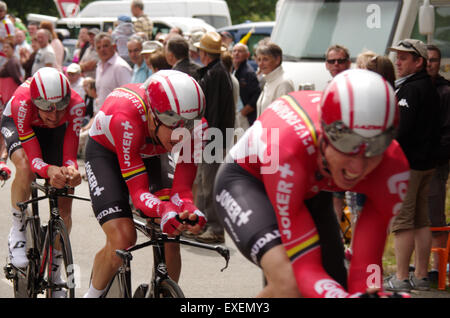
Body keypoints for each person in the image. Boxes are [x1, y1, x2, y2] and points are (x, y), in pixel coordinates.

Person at [213, 69, 409, 297]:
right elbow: (305, 267)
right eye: (347, 144)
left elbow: (368, 265)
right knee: (289, 282)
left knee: (336, 278)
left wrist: (370, 292)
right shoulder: (290, 150)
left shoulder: (393, 167)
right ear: (324, 134)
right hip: (248, 181)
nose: (358, 167)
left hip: (311, 185)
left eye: (374, 148)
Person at [82, 70, 207, 298]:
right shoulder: (126, 119)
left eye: (188, 124)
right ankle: (91, 295)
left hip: (151, 152)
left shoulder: (196, 126)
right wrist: (163, 208)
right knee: (122, 237)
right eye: (172, 123)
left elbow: (183, 191)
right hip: (106, 152)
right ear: (152, 114)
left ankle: (162, 293)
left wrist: (189, 209)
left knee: (171, 231)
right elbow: (138, 193)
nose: (182, 133)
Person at [0, 68, 85, 297]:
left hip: (55, 134)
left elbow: (70, 149)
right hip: (21, 126)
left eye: (60, 107)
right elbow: (35, 158)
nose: (54, 114)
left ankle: (55, 271)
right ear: (35, 101)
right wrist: (48, 169)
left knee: (65, 193)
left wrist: (70, 170)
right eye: (47, 107)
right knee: (27, 167)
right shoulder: (22, 102)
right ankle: (18, 228)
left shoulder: (76, 105)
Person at [384, 39, 440, 292]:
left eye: (404, 57)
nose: (398, 61)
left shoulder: (410, 89)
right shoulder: (427, 86)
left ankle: (402, 278)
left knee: (403, 222)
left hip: (409, 165)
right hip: (425, 163)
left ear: (418, 62)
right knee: (421, 221)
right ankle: (420, 276)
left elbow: (401, 130)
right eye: (397, 56)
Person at [193, 31, 235, 244]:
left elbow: (215, 111)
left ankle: (216, 228)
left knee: (209, 184)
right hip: (211, 136)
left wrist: (210, 139)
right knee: (203, 181)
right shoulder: (215, 71)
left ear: (204, 53)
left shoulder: (216, 73)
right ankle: (201, 223)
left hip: (213, 137)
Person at [425, 44, 450, 281]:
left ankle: (437, 269)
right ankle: (419, 265)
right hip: (417, 163)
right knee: (416, 218)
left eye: (434, 60)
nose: (430, 64)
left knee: (435, 217)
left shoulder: (445, 91)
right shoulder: (417, 88)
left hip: (436, 164)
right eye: (427, 60)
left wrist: (436, 158)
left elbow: (447, 133)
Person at [324, 44, 352, 222]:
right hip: (330, 148)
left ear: (348, 63)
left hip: (350, 148)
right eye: (331, 61)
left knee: (351, 198)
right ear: (326, 64)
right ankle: (337, 239)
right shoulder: (328, 86)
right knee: (333, 196)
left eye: (340, 61)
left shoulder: (352, 84)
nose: (336, 65)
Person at [94, 32, 132, 112]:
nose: (102, 50)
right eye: (98, 47)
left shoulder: (120, 67)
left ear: (114, 47)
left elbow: (129, 97)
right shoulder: (99, 66)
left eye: (105, 46)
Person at [255, 41, 294, 117]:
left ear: (277, 60)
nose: (261, 64)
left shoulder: (284, 83)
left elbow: (284, 117)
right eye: (259, 60)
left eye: (265, 59)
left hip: (274, 129)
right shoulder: (268, 81)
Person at [232, 43, 260, 127]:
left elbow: (256, 95)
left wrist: (243, 113)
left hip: (245, 118)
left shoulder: (249, 73)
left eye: (240, 51)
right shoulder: (232, 70)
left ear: (247, 55)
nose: (236, 53)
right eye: (234, 51)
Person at [0, 1, 15, 68]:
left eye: (0, 11)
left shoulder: (7, 23)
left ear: (5, 11)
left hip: (2, 55)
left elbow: (11, 41)